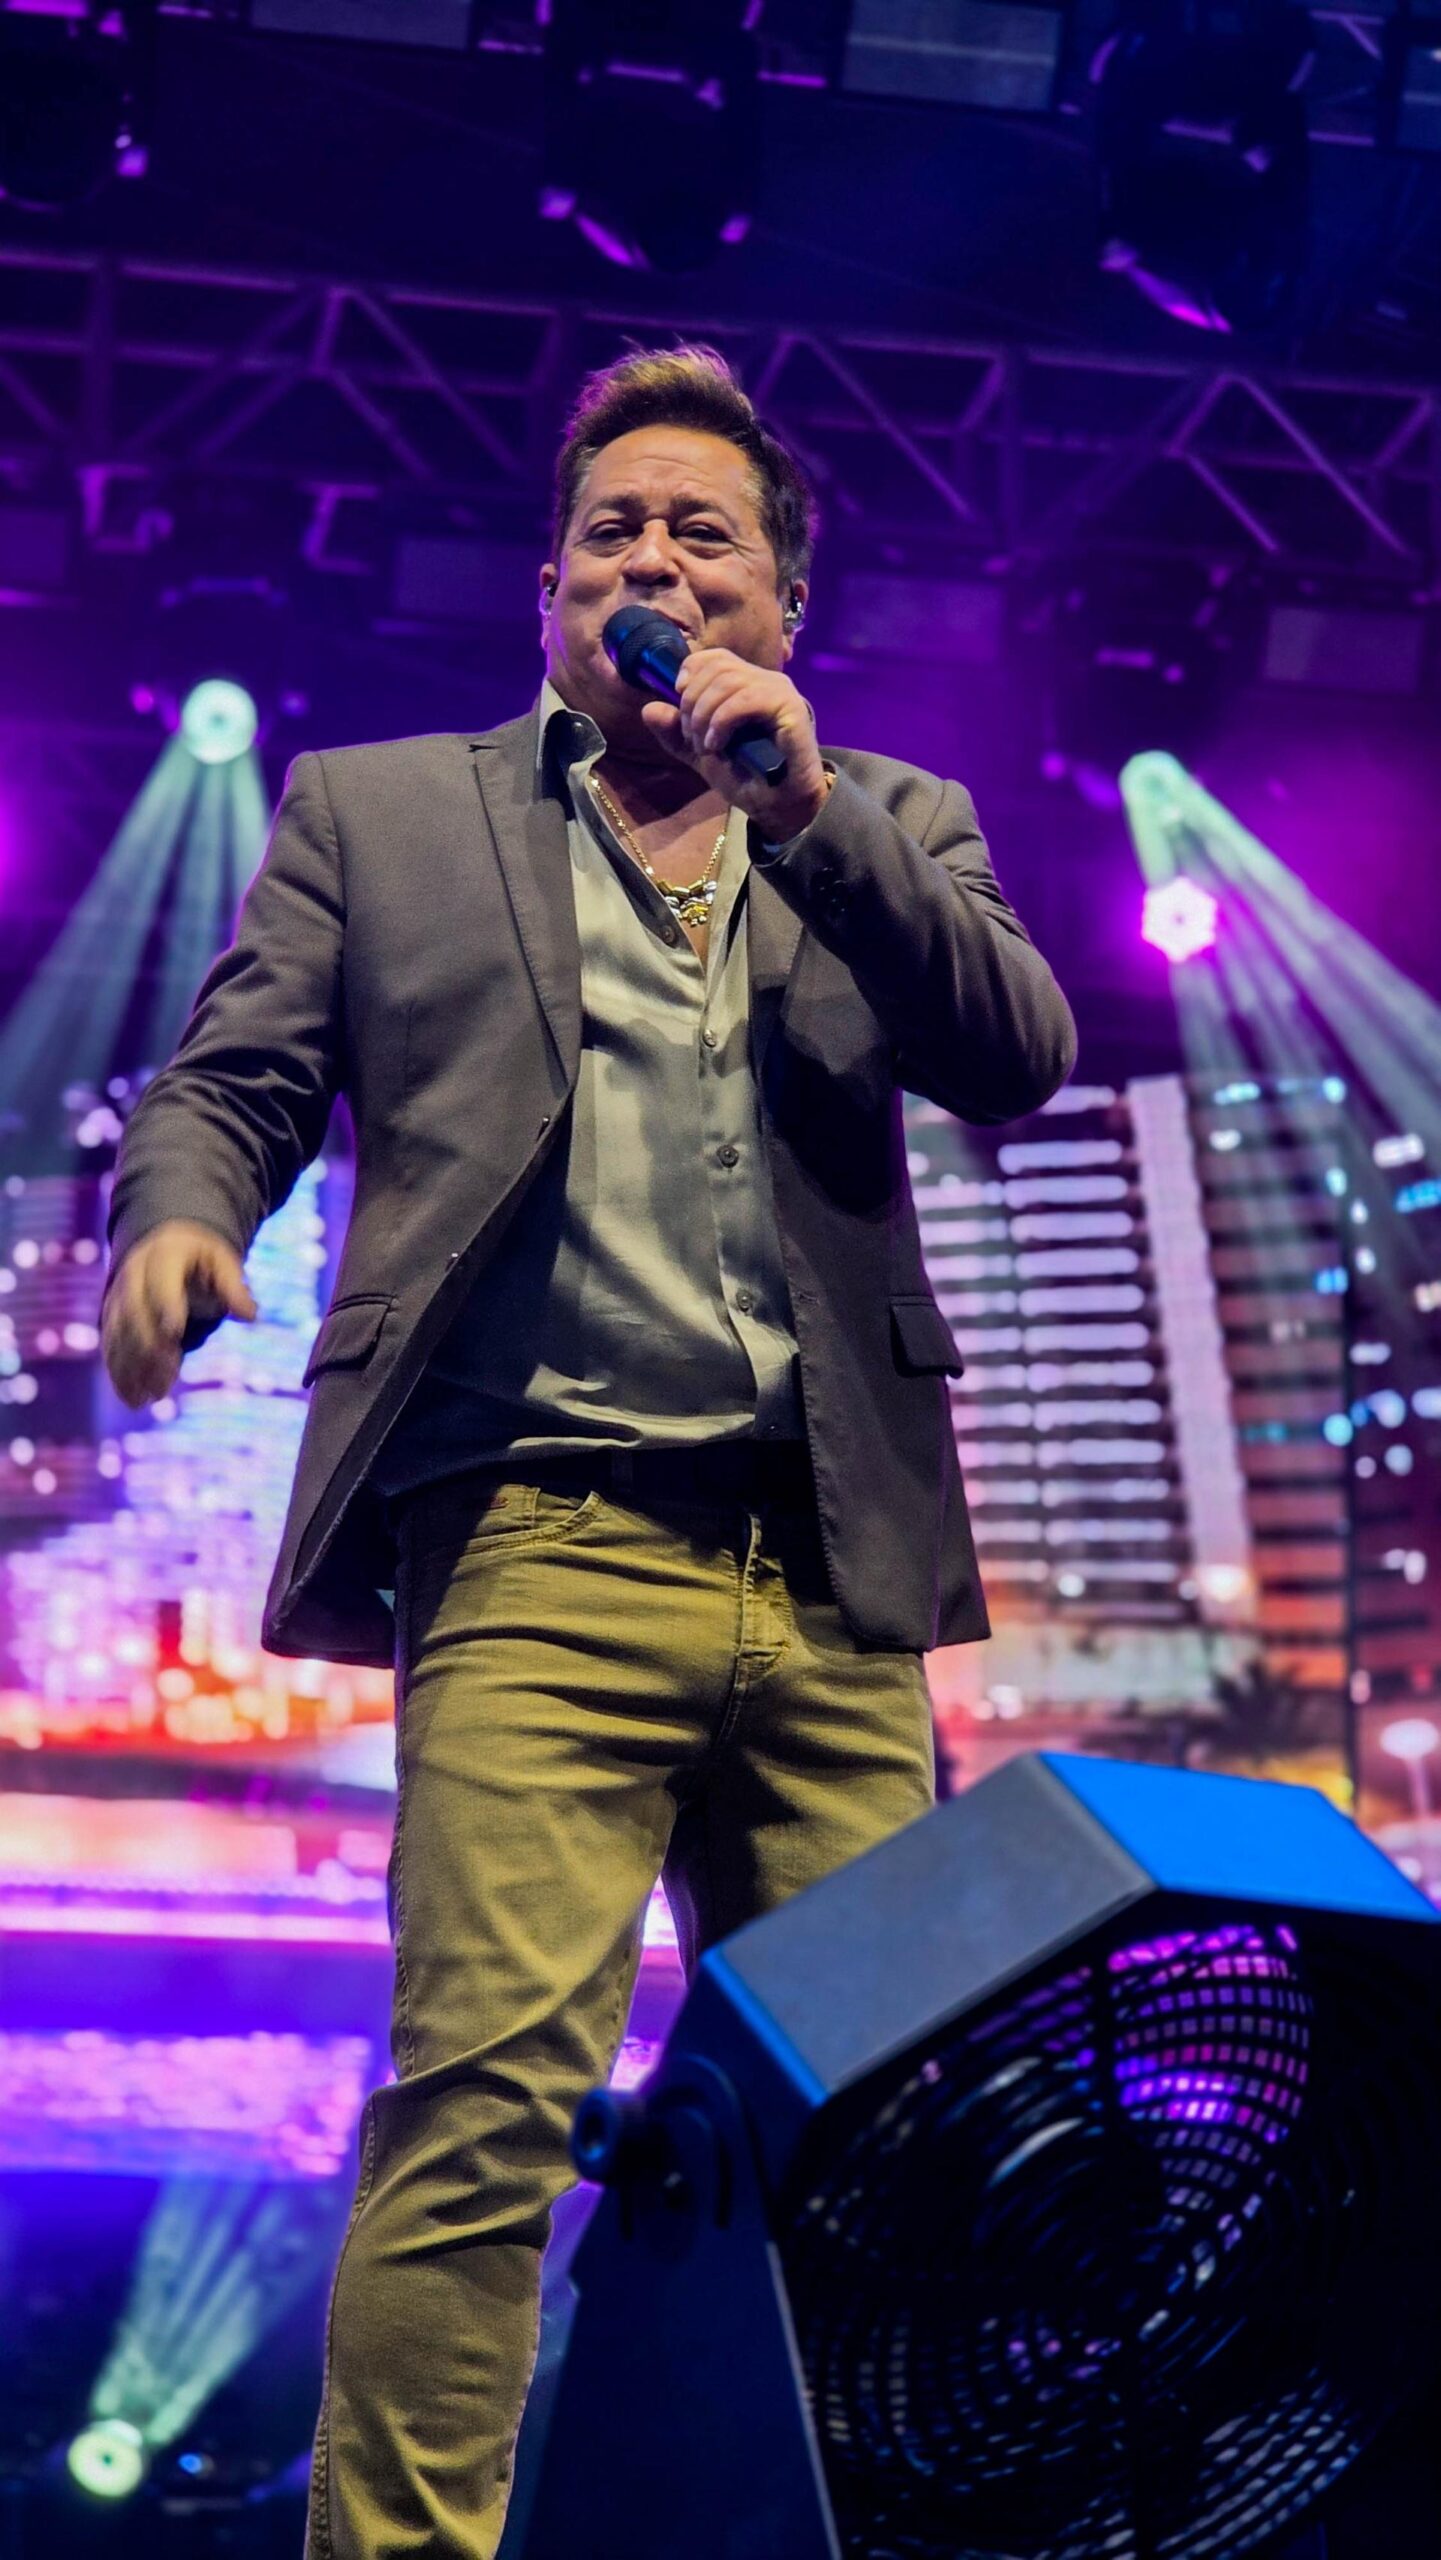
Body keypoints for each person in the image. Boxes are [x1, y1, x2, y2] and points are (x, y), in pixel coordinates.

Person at [101, 344, 1076, 2560]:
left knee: (879, 2133)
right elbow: (235, 1077)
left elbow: (1013, 1050)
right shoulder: (383, 814)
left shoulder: (886, 814)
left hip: (826, 1573)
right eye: (609, 530)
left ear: (780, 604)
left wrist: (803, 811)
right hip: (537, 1544)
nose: (651, 558)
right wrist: (179, 1217)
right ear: (545, 591)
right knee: (480, 2114)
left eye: (700, 532)